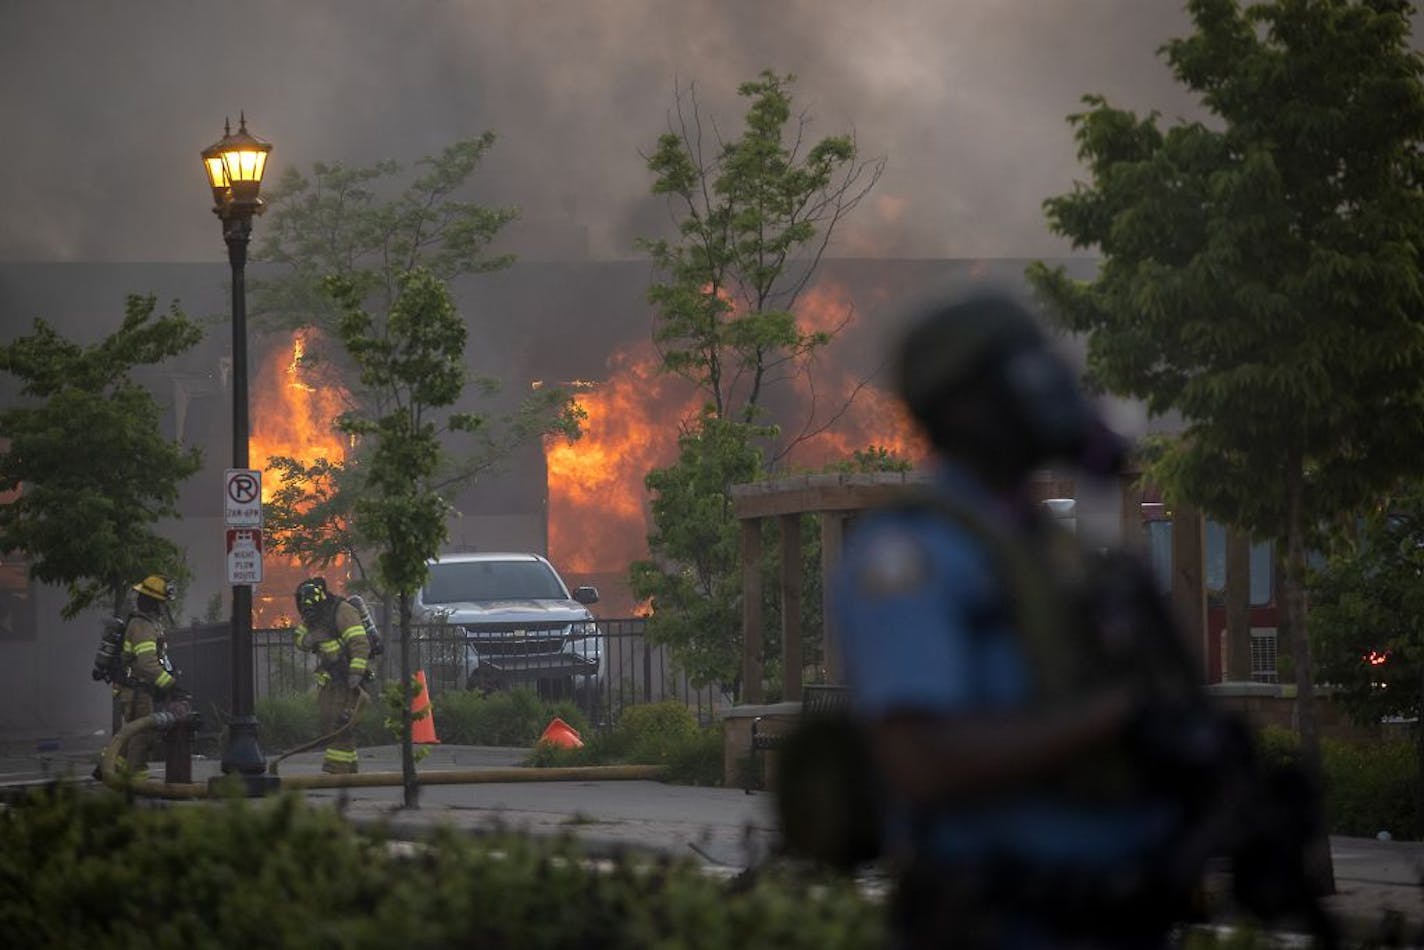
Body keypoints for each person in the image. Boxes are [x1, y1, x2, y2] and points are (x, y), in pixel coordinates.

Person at [831, 291, 1212, 949]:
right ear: (963, 404)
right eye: (1022, 370)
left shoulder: (1063, 555)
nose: (1051, 387)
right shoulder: (911, 557)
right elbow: (918, 761)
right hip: (999, 922)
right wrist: (1116, 718)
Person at [293, 577, 372, 774]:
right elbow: (298, 638)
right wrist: (309, 639)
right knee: (331, 720)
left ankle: (336, 769)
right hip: (331, 679)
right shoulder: (315, 616)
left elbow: (360, 643)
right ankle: (349, 768)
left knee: (341, 722)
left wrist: (355, 674)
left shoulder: (342, 611)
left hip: (347, 678)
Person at [114, 574, 186, 772]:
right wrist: (170, 684)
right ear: (154, 603)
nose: (165, 607)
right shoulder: (143, 626)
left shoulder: (145, 623)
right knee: (141, 736)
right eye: (162, 603)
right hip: (138, 691)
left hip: (136, 690)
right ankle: (135, 783)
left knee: (130, 735)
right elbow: (147, 664)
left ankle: (115, 772)